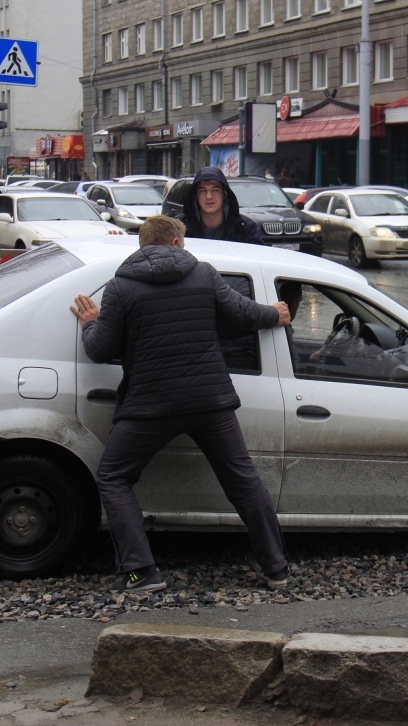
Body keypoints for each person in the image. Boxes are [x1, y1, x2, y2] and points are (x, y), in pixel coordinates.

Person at [70, 215, 292, 593]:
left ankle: (142, 572)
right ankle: (277, 569)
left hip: (149, 406)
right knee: (242, 480)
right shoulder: (204, 274)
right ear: (174, 242)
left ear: (143, 246)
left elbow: (99, 350)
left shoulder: (121, 287)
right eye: (184, 243)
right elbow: (241, 313)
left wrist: (91, 322)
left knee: (113, 477)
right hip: (209, 401)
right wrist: (276, 314)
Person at [180, 166, 266, 244]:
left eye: (215, 190)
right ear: (195, 196)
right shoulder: (179, 228)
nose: (209, 196)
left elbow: (259, 258)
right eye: (202, 191)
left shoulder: (245, 230)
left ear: (224, 194)